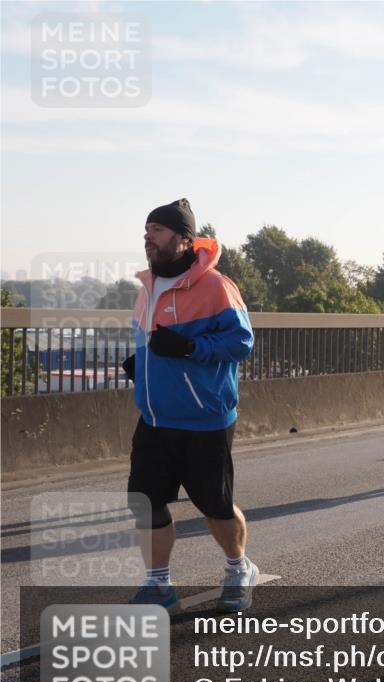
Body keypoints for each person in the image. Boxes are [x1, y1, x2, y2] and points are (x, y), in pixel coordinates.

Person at [125, 199, 256, 613]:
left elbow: (241, 343)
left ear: (183, 239)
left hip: (204, 420)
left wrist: (189, 346)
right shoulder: (146, 288)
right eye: (147, 231)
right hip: (155, 418)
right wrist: (141, 363)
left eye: (158, 231)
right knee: (145, 502)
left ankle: (239, 568)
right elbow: (153, 344)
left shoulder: (216, 286)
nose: (149, 238)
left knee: (215, 508)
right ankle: (159, 585)